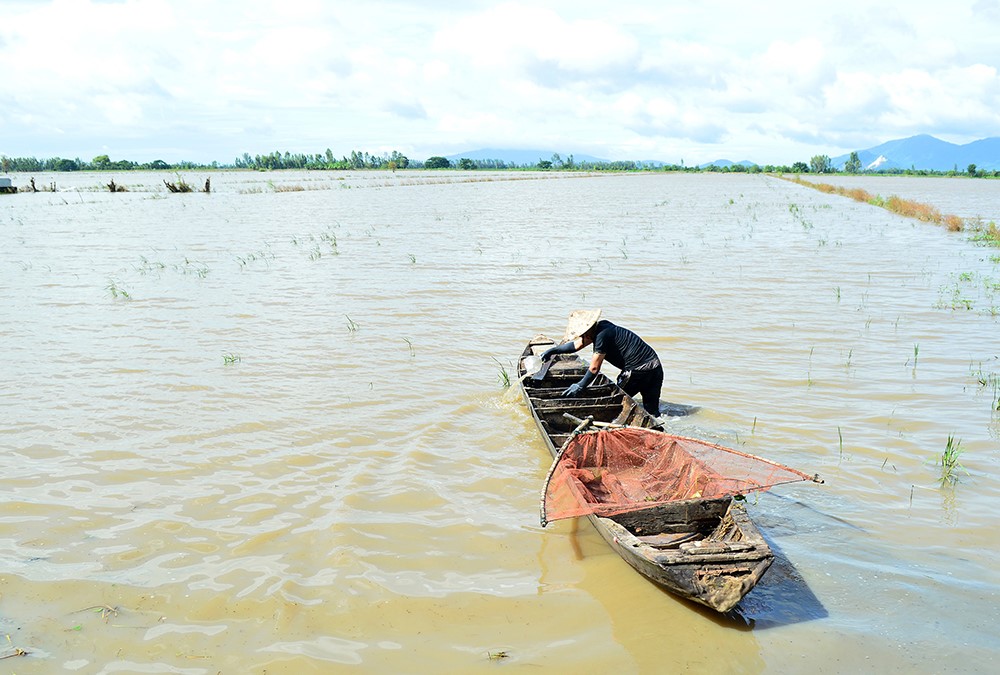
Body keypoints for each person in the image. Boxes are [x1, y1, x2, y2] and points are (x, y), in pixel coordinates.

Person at [541, 309, 663, 416]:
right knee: (652, 411)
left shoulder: (601, 336)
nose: (581, 337)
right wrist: (553, 350)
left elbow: (594, 368)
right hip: (655, 367)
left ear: (587, 331)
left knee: (616, 403)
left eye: (582, 334)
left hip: (638, 372)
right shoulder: (603, 327)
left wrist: (580, 385)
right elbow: (577, 345)